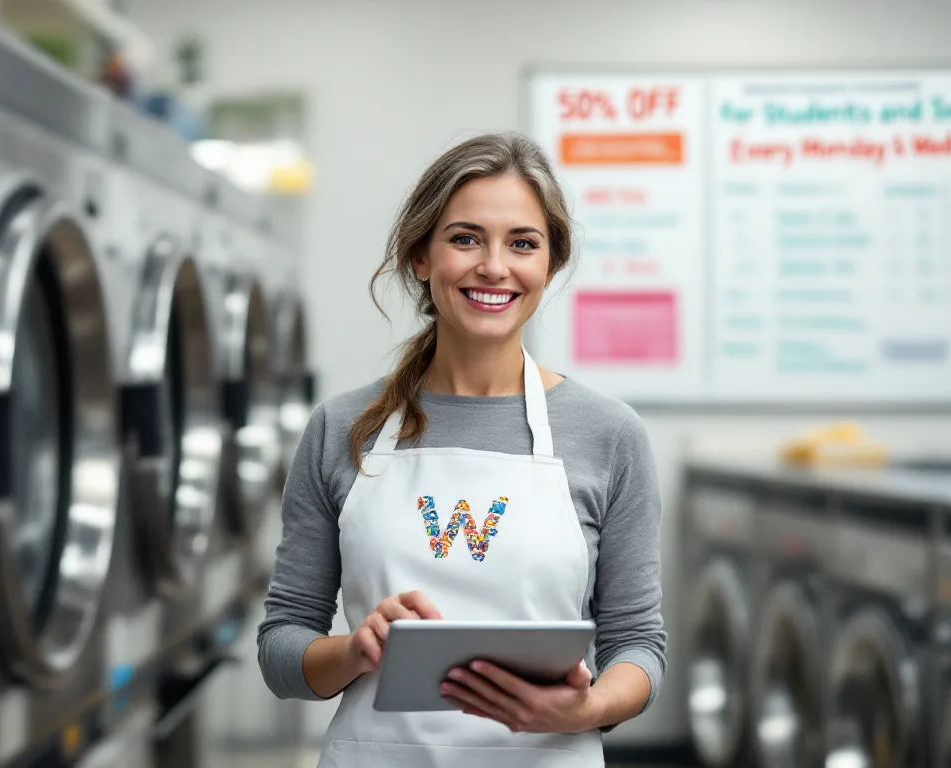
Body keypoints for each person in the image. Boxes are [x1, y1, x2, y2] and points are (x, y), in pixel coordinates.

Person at [256, 132, 666, 767]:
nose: (494, 267)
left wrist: (587, 708)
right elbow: (282, 648)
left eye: (523, 244)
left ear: (549, 266)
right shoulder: (343, 428)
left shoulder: (610, 434)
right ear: (422, 257)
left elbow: (638, 644)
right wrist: (356, 649)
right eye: (466, 238)